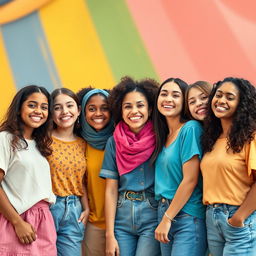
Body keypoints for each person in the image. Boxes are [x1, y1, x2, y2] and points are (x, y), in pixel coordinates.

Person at [100, 76, 160, 256]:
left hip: (152, 213)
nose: (134, 111)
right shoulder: (114, 142)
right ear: (121, 110)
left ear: (149, 109)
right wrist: (109, 235)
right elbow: (110, 190)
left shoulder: (161, 138)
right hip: (121, 216)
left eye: (140, 105)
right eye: (128, 106)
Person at [201, 77, 256, 256]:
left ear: (241, 104)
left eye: (230, 97)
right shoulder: (212, 138)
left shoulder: (251, 137)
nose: (221, 101)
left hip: (239, 217)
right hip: (212, 217)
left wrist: (239, 217)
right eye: (218, 95)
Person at [152, 78, 207, 256]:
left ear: (183, 102)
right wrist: (165, 217)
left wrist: (168, 218)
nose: (168, 99)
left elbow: (190, 180)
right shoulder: (163, 135)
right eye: (164, 94)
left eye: (175, 95)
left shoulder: (190, 129)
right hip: (164, 211)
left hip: (187, 216)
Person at [0, 85, 56, 255]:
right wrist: (17, 223)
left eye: (44, 107)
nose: (38, 111)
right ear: (19, 109)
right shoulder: (6, 138)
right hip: (18, 219)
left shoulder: (40, 144)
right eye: (32, 105)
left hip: (44, 219)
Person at [47, 88, 89, 255]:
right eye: (57, 107)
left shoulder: (83, 143)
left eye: (69, 106)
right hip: (48, 207)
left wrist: (86, 208)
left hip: (74, 209)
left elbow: (81, 181)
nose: (64, 111)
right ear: (51, 113)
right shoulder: (43, 140)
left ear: (78, 110)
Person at [77, 87, 114, 256]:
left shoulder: (120, 140)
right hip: (94, 223)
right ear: (83, 113)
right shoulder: (80, 143)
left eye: (104, 108)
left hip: (123, 225)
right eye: (92, 109)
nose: (98, 113)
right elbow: (80, 183)